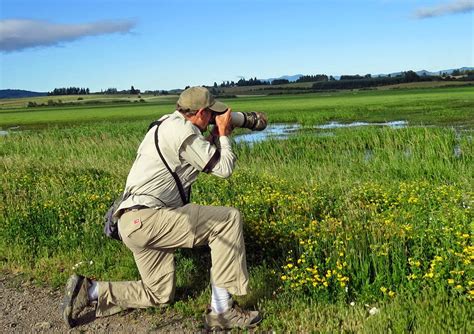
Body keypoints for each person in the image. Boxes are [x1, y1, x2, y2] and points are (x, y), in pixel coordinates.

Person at [60, 86, 261, 330]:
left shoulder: (166, 125)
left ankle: (90, 290)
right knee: (228, 220)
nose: (211, 119)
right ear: (199, 113)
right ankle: (221, 311)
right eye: (210, 114)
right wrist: (225, 134)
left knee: (159, 295)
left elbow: (193, 161)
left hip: (131, 223)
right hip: (148, 218)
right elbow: (224, 169)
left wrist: (216, 137)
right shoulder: (183, 132)